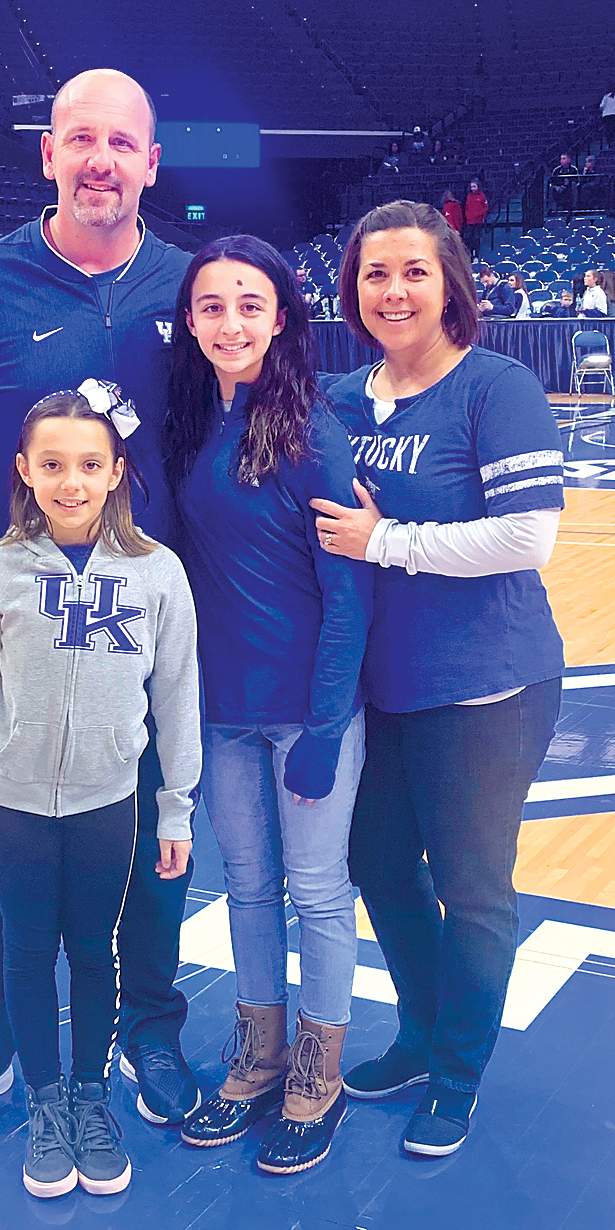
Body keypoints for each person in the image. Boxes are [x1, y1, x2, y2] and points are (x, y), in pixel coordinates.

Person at [0, 67, 197, 1149]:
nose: (99, 160)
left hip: (140, 621)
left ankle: (150, 1032)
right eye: (80, 138)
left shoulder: (190, 287)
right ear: (49, 154)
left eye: (120, 142)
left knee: (151, 840)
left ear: (150, 162)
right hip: (14, 623)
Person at [313, 199, 565, 1159]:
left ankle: (456, 1072)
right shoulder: (342, 399)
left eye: (413, 271)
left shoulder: (495, 387)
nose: (393, 291)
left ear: (448, 281)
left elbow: (526, 537)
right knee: (376, 863)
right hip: (382, 687)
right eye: (374, 274)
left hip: (486, 686)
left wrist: (387, 541)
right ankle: (420, 1033)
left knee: (473, 886)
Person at [0, 389, 200, 1199]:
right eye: (52, 464)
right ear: (24, 470)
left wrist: (175, 807)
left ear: (116, 471)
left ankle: (91, 1098)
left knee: (95, 952)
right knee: (25, 950)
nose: (71, 482)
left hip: (106, 800)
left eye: (90, 465)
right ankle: (44, 1102)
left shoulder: (157, 573)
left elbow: (177, 697)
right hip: (11, 802)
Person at [165, 236, 370, 1175]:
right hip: (220, 712)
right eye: (211, 306)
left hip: (304, 712)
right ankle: (257, 1060)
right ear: (189, 320)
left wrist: (325, 728)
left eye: (250, 305)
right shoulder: (187, 422)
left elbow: (348, 592)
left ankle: (317, 1078)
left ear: (280, 318)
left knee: (317, 892)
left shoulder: (312, 433)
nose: (230, 323)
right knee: (246, 888)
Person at [462, 176, 488, 256]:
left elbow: (485, 208)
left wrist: (480, 214)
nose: (472, 188)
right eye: (471, 187)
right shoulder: (469, 196)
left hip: (478, 221)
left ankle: (476, 254)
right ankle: (469, 254)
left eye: (474, 186)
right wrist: (468, 217)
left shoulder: (482, 196)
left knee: (477, 238)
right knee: (469, 238)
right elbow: (467, 208)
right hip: (470, 221)